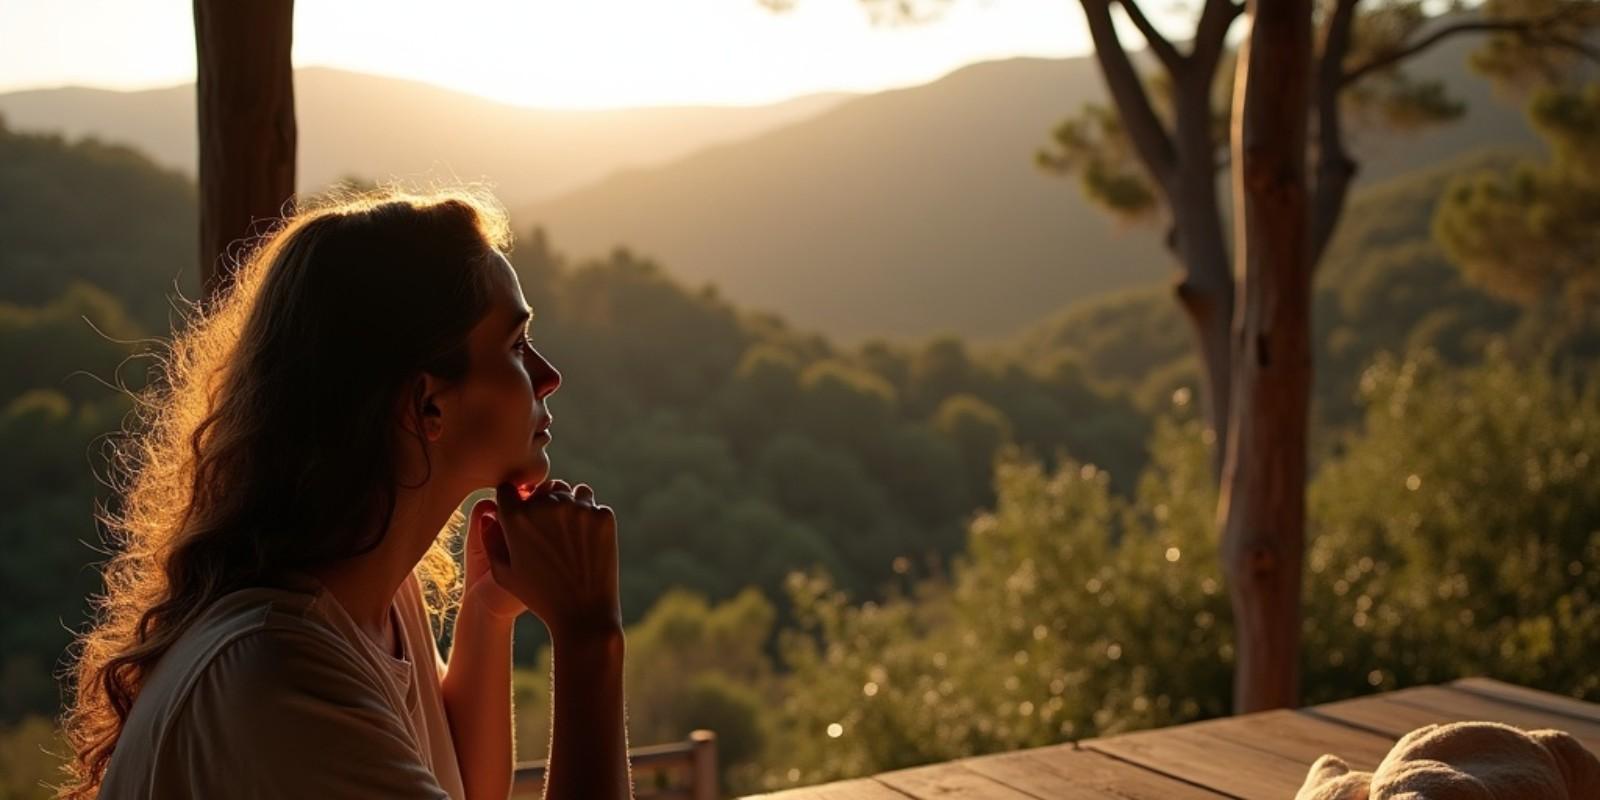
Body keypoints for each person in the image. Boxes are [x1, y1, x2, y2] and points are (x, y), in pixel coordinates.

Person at [57, 188, 632, 799]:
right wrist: (590, 636)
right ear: (426, 404)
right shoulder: (278, 676)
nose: (549, 375)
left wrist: (487, 615)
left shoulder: (375, 599)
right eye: (516, 346)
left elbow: (462, 784)